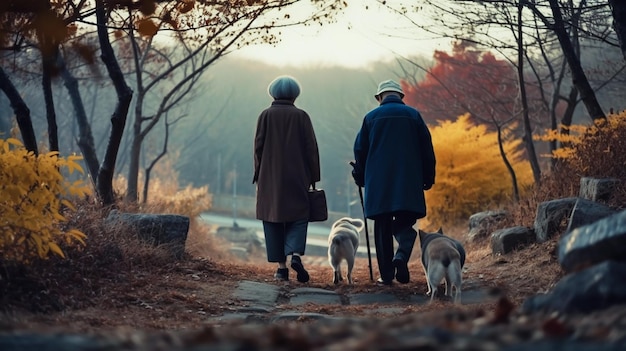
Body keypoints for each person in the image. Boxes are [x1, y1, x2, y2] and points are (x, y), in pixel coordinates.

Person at [351, 79, 436, 285]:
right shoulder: (414, 116)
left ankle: (387, 275)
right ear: (401, 97)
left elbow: (360, 151)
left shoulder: (370, 118)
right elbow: (427, 150)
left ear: (379, 97)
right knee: (406, 222)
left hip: (379, 183)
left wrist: (360, 176)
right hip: (408, 180)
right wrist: (428, 177)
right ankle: (401, 257)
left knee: (382, 228)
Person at [253, 75, 321, 283]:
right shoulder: (302, 116)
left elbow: (258, 147)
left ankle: (281, 269)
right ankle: (296, 255)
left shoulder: (265, 115)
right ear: (295, 94)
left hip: (270, 177)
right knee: (299, 217)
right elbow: (311, 149)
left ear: (272, 93)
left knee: (272, 219)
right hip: (298, 175)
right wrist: (314, 176)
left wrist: (258, 174)